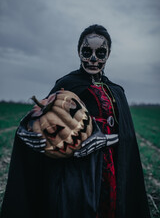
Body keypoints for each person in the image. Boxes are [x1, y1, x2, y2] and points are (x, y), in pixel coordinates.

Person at [1, 24, 150, 218]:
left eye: (101, 52)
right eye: (87, 51)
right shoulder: (66, 84)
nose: (94, 58)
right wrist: (25, 130)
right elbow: (42, 117)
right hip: (76, 168)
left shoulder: (116, 91)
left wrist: (103, 139)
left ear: (108, 54)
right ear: (78, 52)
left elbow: (126, 135)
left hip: (110, 166)